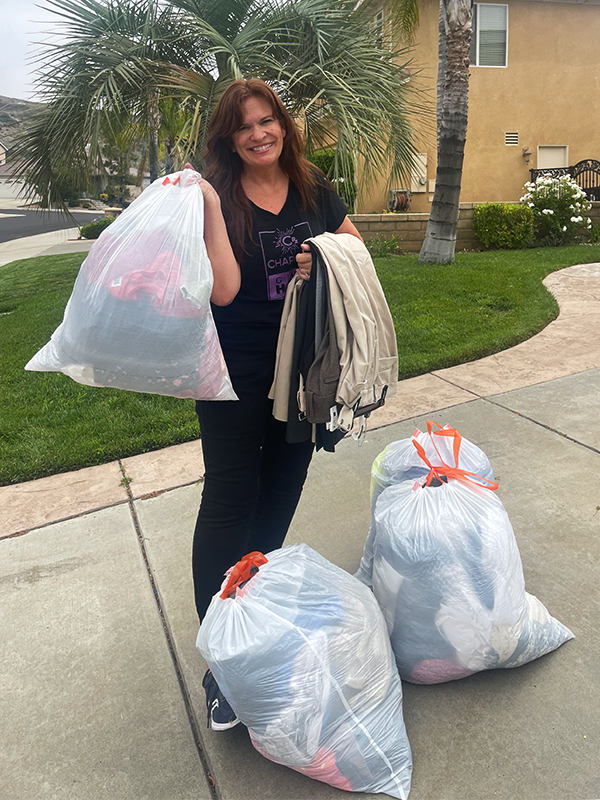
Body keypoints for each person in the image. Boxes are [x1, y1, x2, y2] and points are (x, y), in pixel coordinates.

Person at [188, 79, 362, 730]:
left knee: (281, 492)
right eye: (245, 126)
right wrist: (205, 203)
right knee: (230, 500)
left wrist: (326, 256)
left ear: (283, 126)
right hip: (232, 374)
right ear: (228, 139)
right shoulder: (219, 196)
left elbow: (356, 247)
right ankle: (221, 665)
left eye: (268, 121)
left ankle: (251, 625)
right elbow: (224, 292)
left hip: (303, 370)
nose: (260, 133)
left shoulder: (312, 188)